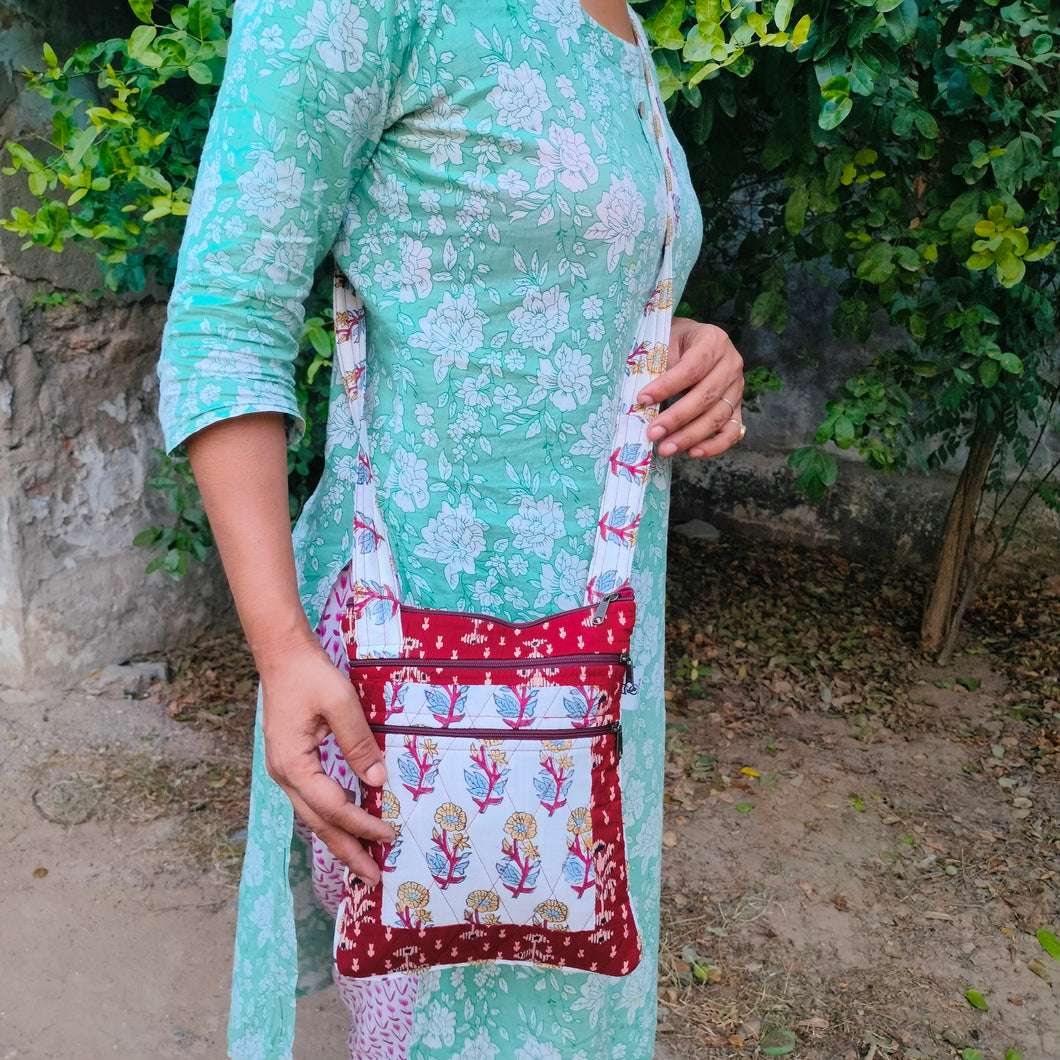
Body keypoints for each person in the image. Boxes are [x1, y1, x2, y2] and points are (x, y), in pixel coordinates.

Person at [159, 0, 745, 1057]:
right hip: (422, 679)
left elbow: (554, 278)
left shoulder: (615, 14)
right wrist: (282, 651)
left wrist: (688, 347)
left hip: (593, 673)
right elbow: (224, 324)